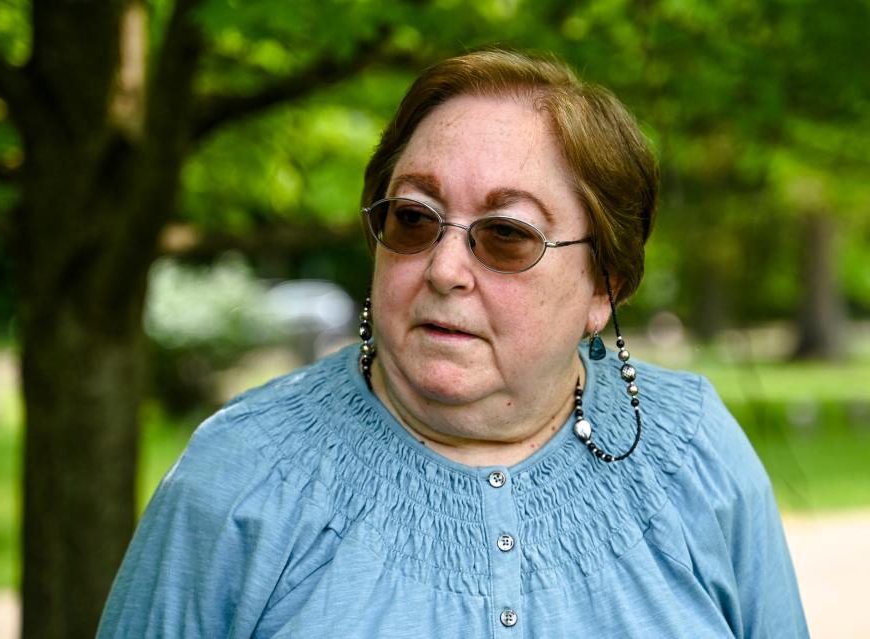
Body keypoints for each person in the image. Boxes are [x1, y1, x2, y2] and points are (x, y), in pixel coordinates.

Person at [98, 48, 808, 638]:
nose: (442, 268)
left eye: (506, 234)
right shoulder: (240, 476)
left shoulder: (692, 452)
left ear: (605, 286)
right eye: (413, 218)